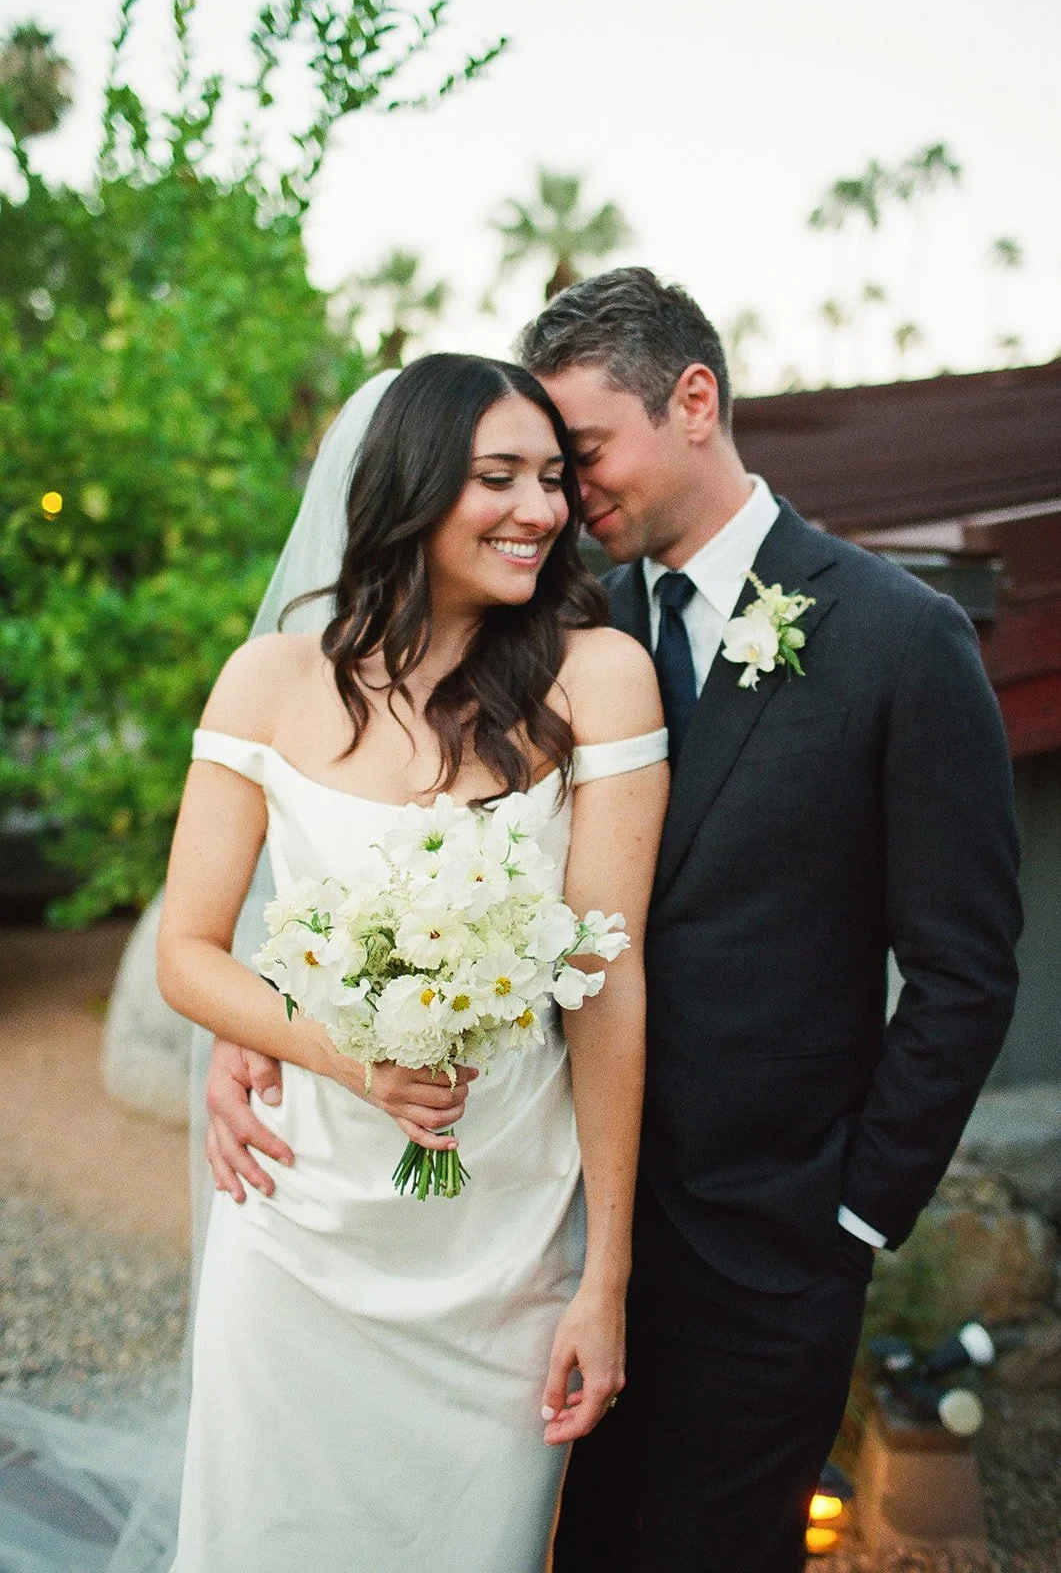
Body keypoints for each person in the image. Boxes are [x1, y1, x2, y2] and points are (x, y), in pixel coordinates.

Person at [206, 272, 1023, 1573]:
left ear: (693, 401)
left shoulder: (894, 638)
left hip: (766, 1248)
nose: (565, 498)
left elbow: (967, 970)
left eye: (583, 455)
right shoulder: (556, 629)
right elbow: (393, 836)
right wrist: (264, 1023)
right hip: (538, 1230)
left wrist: (858, 1215)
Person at [155, 352, 669, 1572]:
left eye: (552, 477)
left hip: (501, 1249)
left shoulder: (597, 677)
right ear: (408, 487)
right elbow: (188, 950)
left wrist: (605, 1276)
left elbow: (607, 981)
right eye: (498, 476)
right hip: (297, 1228)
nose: (540, 509)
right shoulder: (269, 683)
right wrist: (346, 1055)